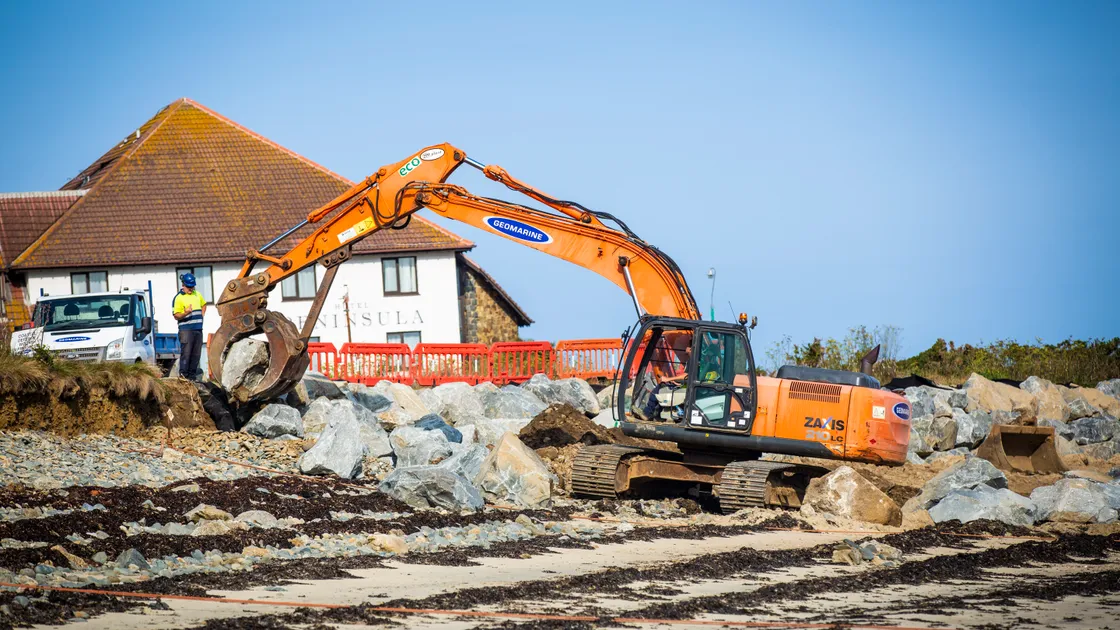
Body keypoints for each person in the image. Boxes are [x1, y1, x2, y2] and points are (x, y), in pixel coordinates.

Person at [172, 273, 206, 380]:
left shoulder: (197, 294)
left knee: (196, 354)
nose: (191, 289)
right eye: (189, 287)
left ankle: (192, 376)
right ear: (183, 285)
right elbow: (176, 315)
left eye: (192, 287)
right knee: (186, 353)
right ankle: (184, 376)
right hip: (186, 330)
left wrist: (202, 315)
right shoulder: (178, 298)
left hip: (198, 329)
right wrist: (186, 313)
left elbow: (203, 305)